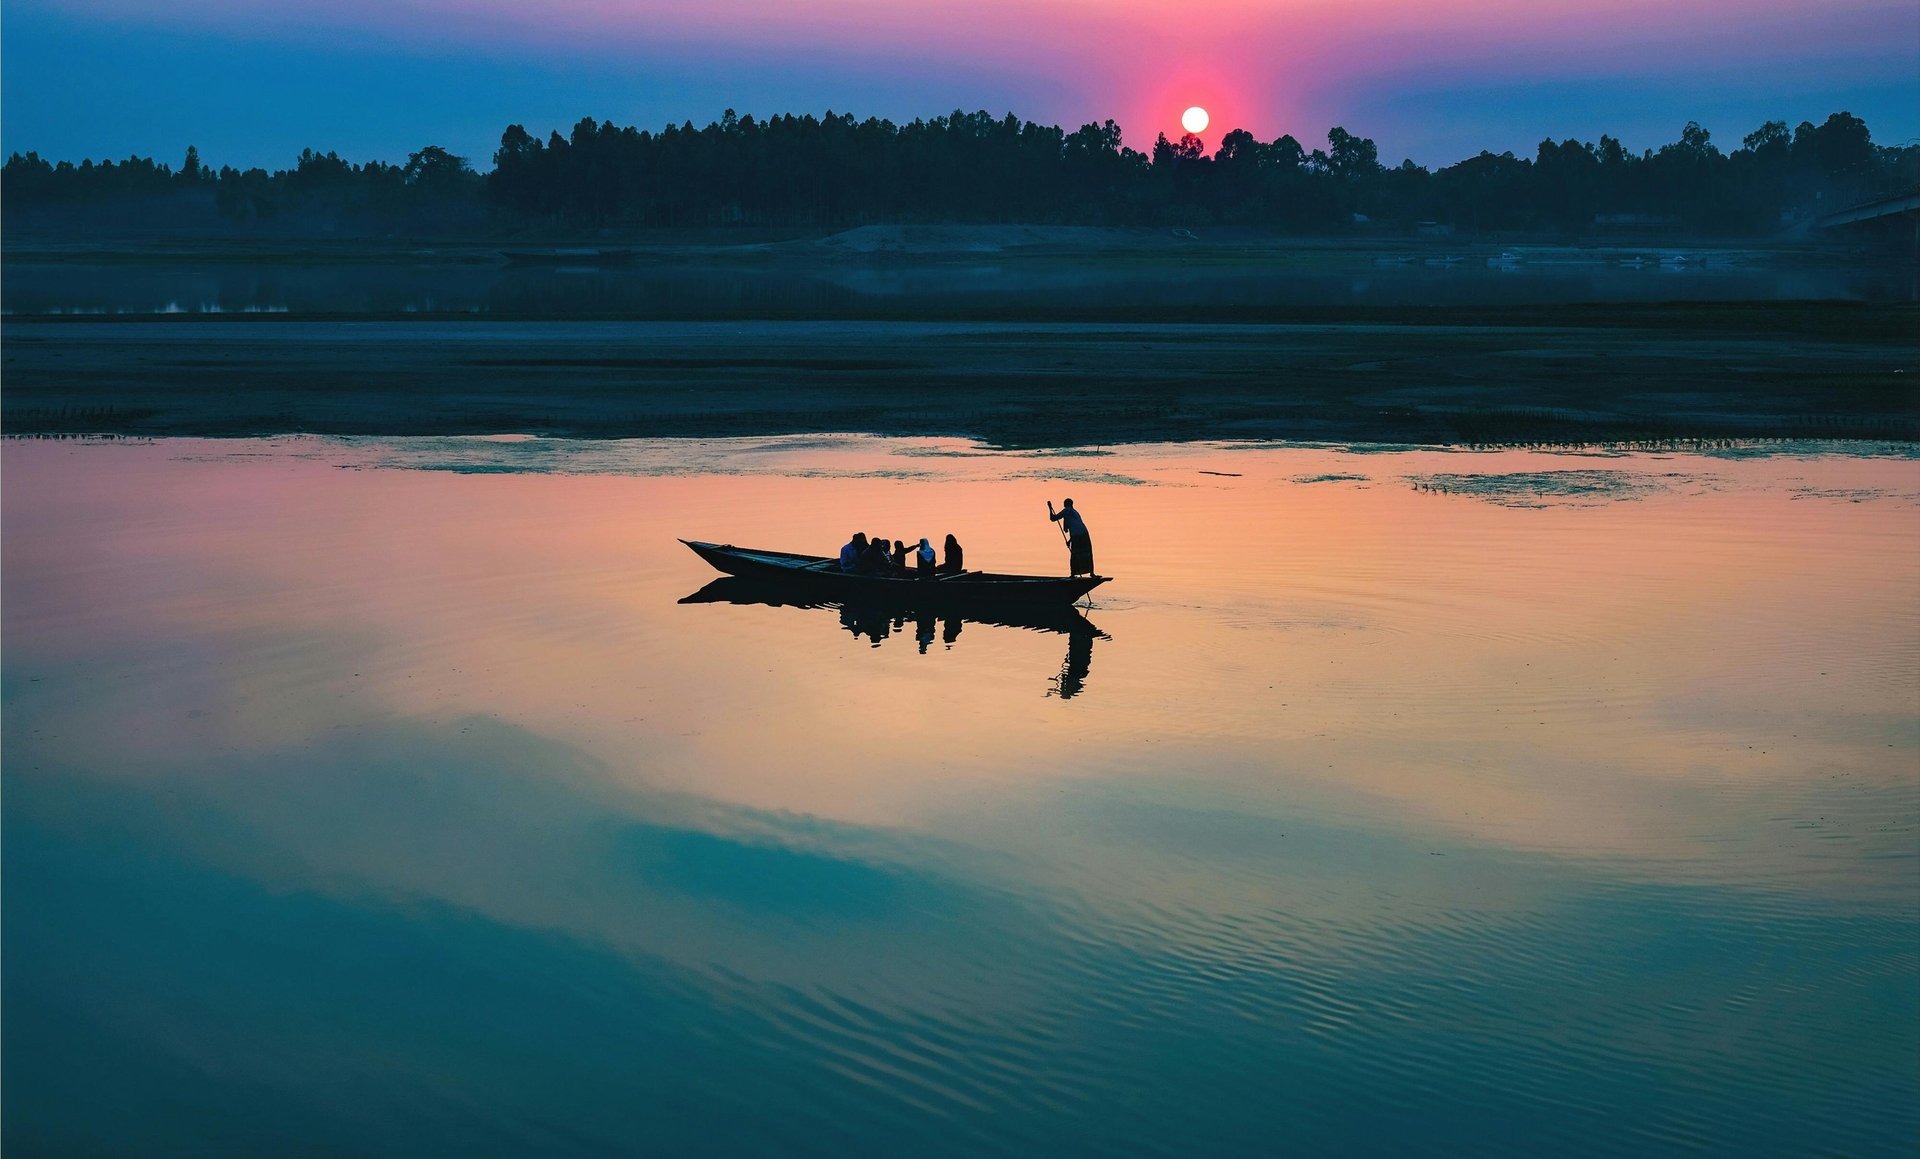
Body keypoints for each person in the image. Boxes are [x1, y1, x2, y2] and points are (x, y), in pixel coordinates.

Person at [1049, 497, 1095, 576]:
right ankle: (1091, 573)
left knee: (1075, 554)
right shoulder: (1075, 512)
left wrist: (1049, 508)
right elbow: (1075, 527)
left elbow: (1053, 518)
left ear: (1066, 504)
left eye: (1064, 504)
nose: (1063, 505)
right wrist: (1070, 541)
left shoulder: (1066, 511)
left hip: (1077, 535)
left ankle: (1073, 574)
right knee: (1087, 553)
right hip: (1085, 534)